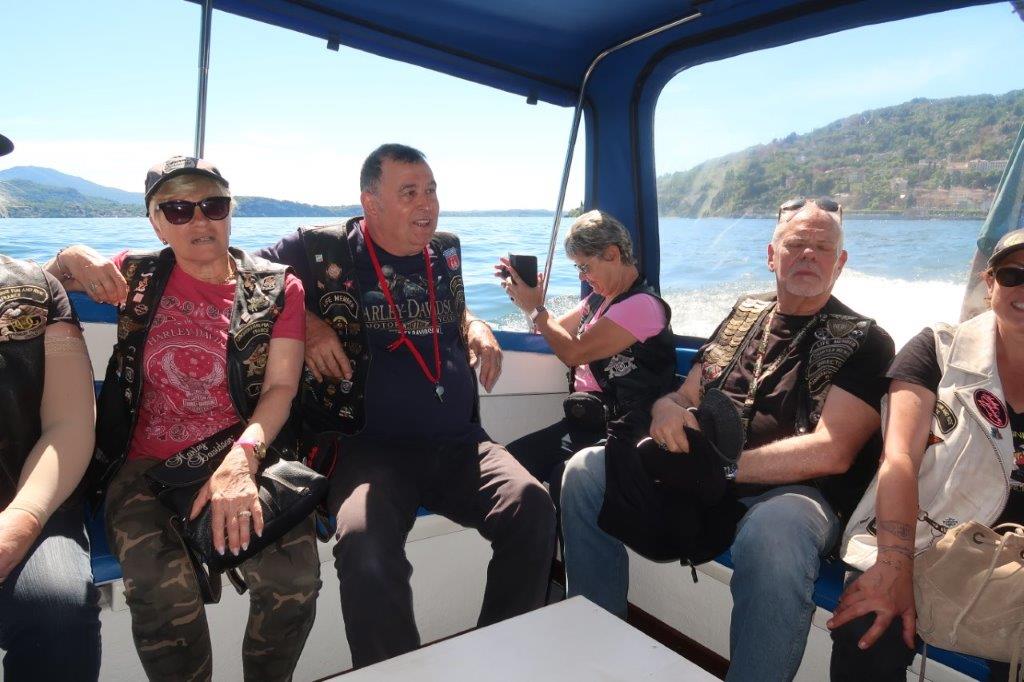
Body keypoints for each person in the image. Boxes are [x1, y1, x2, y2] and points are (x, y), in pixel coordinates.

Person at [560, 197, 895, 682]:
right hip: (705, 472)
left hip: (795, 494)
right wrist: (667, 411)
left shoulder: (866, 340)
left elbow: (833, 450)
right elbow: (683, 394)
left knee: (775, 531)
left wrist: (723, 467)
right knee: (584, 472)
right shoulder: (745, 313)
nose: (808, 255)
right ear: (771, 256)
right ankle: (594, 642)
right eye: (795, 244)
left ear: (840, 262)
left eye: (823, 248)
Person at [255, 143, 557, 668]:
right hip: (367, 449)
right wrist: (306, 321)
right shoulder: (319, 247)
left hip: (458, 442)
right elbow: (247, 274)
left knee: (532, 506)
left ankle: (499, 657)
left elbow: (451, 311)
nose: (427, 204)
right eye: (410, 193)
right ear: (370, 202)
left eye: (432, 190)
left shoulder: (446, 251)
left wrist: (475, 325)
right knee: (364, 544)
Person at [49, 156, 321, 682]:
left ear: (230, 212)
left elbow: (281, 387)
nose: (199, 220)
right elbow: (35, 285)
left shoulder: (276, 288)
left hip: (242, 450)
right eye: (177, 209)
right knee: (158, 587)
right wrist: (73, 254)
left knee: (293, 581)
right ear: (156, 223)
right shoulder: (136, 276)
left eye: (213, 205)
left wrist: (242, 461)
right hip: (146, 462)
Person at [828, 228, 1024, 681]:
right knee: (867, 628)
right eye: (1014, 275)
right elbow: (899, 457)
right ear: (990, 283)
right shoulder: (938, 350)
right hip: (927, 538)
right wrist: (894, 563)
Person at [0, 130, 102, 681]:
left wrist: (19, 522)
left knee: (58, 610)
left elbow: (68, 422)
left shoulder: (36, 291)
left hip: (31, 497)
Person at [500, 209, 677, 503]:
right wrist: (526, 297)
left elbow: (574, 352)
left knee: (562, 476)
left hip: (625, 428)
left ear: (612, 254)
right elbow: (552, 330)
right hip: (587, 421)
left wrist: (536, 309)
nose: (583, 276)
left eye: (585, 267)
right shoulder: (597, 300)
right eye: (577, 268)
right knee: (510, 464)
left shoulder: (642, 305)